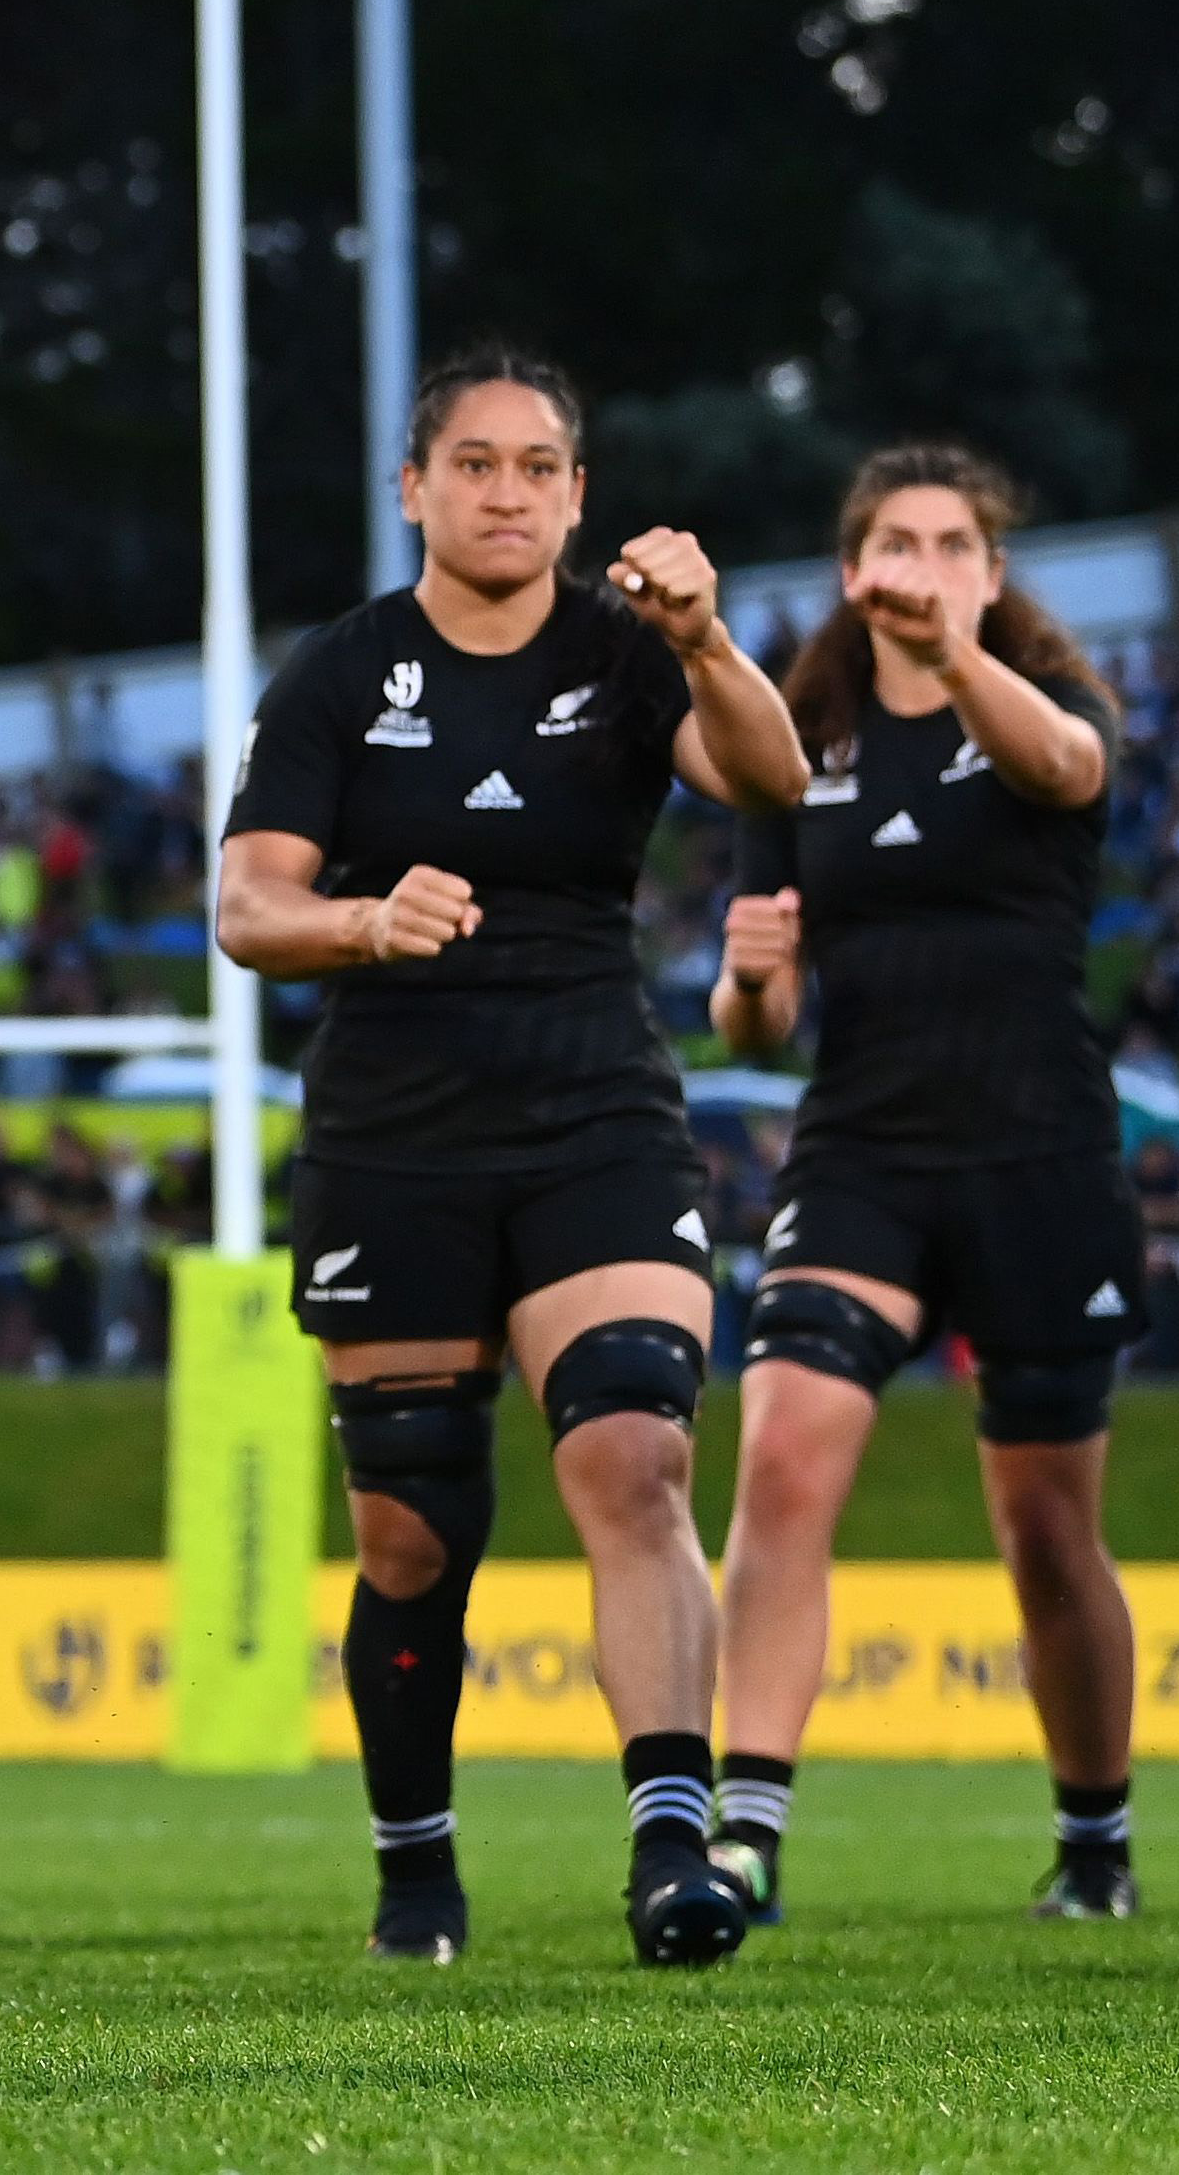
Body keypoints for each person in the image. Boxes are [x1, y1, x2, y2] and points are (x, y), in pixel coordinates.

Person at [213, 346, 807, 1972]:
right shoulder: (342, 673)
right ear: (417, 487)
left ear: (577, 497)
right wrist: (360, 919)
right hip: (392, 1133)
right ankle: (418, 1871)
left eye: (539, 466)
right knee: (414, 1533)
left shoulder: (633, 652)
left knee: (635, 1451)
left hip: (594, 1116)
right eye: (475, 463)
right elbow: (246, 906)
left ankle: (674, 1845)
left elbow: (776, 778)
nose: (507, 492)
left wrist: (707, 637)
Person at [708, 445, 1144, 1924]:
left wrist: (956, 652)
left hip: (1040, 1157)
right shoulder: (800, 739)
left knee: (1045, 1534)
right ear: (850, 569)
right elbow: (759, 1021)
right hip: (863, 1156)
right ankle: (745, 1835)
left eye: (955, 543)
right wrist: (746, 990)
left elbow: (1067, 771)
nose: (922, 561)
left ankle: (1095, 1842)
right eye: (896, 540)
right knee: (778, 1464)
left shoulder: (1043, 711)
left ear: (991, 573)